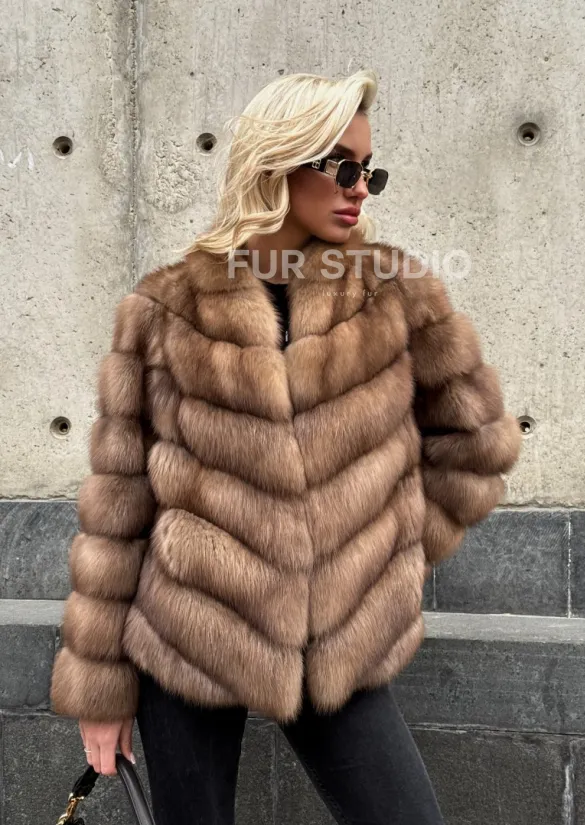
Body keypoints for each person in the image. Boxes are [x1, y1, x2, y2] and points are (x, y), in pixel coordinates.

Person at [49, 68, 522, 824]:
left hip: (335, 645)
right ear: (278, 162)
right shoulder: (165, 309)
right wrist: (101, 689)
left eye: (369, 171)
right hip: (189, 639)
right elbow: (117, 507)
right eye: (342, 167)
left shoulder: (394, 293)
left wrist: (380, 552)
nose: (360, 188)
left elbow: (478, 445)